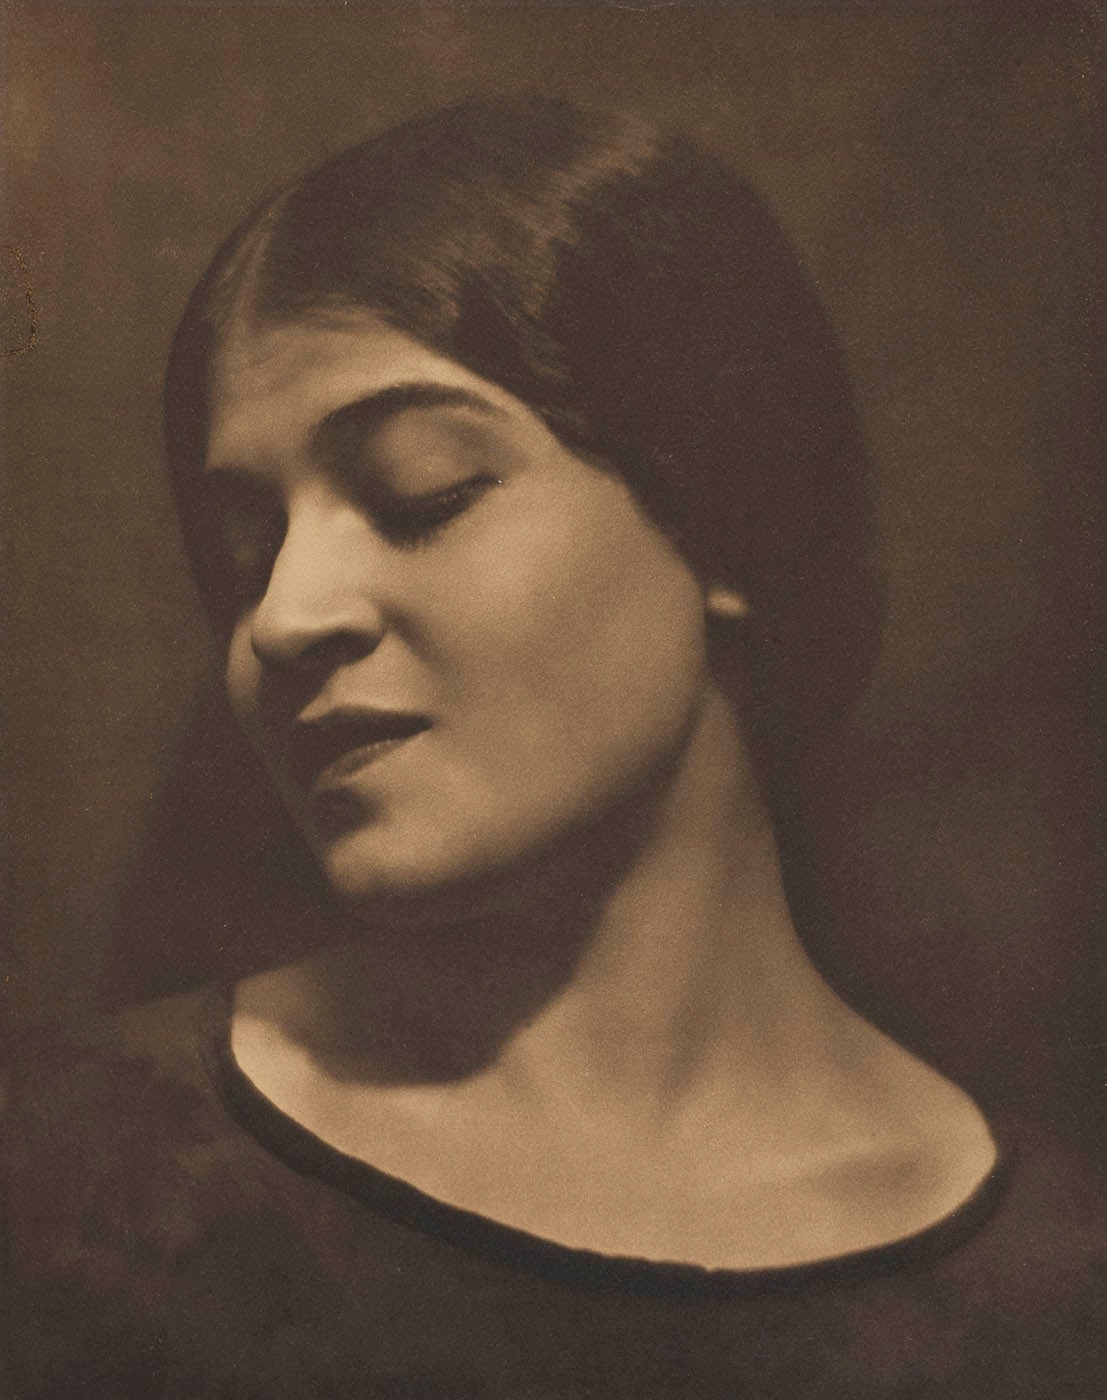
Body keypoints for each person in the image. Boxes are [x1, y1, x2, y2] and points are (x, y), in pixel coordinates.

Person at [3, 96, 1103, 1399]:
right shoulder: (57, 1176)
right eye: (245, 556)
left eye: (423, 492)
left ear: (726, 511)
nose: (284, 617)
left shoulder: (1062, 1302)